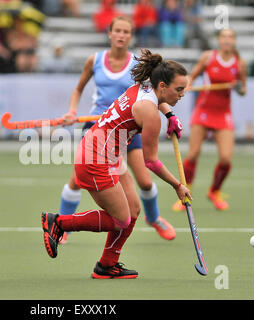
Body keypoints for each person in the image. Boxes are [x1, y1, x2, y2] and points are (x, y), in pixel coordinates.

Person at [42, 49, 192, 279]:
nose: (183, 94)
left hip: (108, 154)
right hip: (95, 159)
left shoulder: (145, 87)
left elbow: (161, 102)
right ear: (162, 86)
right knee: (121, 219)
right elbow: (150, 162)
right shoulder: (149, 113)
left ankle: (106, 265)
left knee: (133, 210)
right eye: (179, 89)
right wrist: (177, 185)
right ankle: (59, 222)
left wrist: (170, 115)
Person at [60, 16, 180, 244]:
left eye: (126, 31)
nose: (122, 35)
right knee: (77, 178)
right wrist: (71, 110)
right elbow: (78, 89)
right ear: (110, 33)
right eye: (118, 31)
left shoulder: (137, 65)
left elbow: (154, 95)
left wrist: (169, 114)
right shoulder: (95, 60)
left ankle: (153, 218)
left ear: (131, 36)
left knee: (145, 181)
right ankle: (64, 224)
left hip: (130, 126)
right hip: (98, 125)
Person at [172, 28, 247, 212]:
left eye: (230, 37)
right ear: (219, 40)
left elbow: (243, 89)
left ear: (234, 41)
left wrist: (238, 87)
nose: (227, 40)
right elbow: (192, 76)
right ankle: (186, 191)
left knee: (225, 158)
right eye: (224, 37)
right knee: (193, 154)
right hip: (203, 111)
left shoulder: (239, 63)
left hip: (222, 114)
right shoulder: (208, 57)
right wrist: (185, 87)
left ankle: (214, 191)